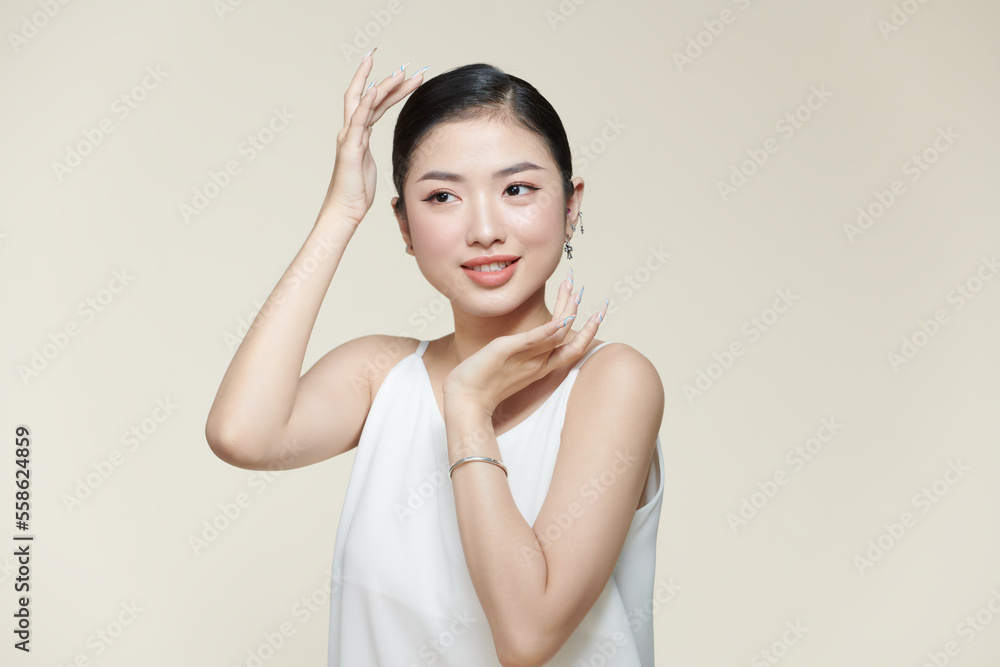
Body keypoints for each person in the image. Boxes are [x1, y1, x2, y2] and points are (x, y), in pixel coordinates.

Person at [205, 50, 665, 667]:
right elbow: (240, 435)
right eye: (443, 196)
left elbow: (527, 636)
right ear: (404, 225)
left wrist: (469, 409)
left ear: (570, 205)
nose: (485, 229)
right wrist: (342, 211)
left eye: (518, 189)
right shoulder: (381, 375)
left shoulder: (612, 383)